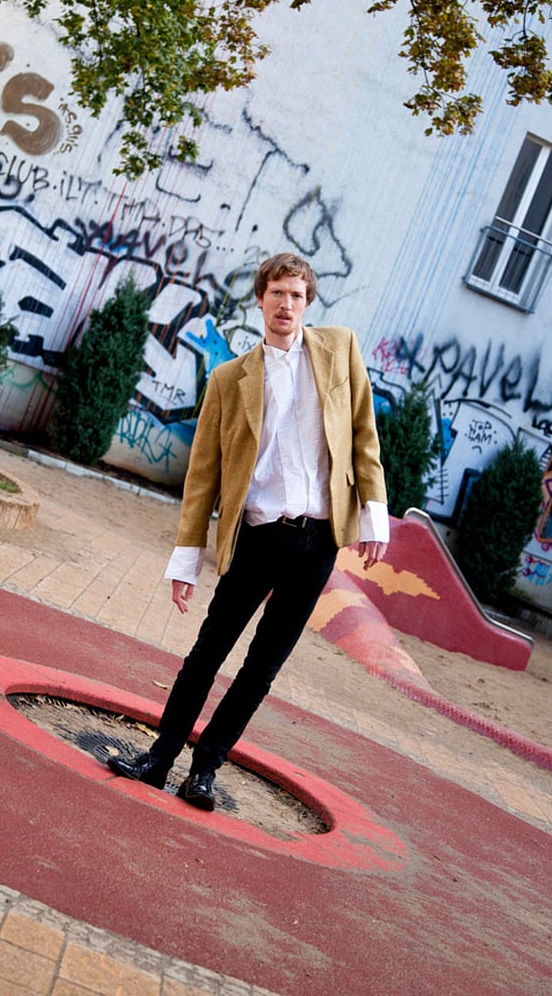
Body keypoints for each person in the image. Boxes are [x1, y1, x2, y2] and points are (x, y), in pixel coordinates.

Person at [108, 252, 389, 811]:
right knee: (206, 655)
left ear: (309, 302)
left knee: (261, 669)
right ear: (260, 299)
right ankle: (159, 758)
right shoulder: (229, 379)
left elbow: (364, 435)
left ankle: (205, 771)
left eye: (298, 295)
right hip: (256, 537)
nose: (287, 305)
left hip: (316, 543)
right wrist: (185, 562)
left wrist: (373, 514)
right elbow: (203, 478)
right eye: (278, 293)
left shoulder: (340, 352)